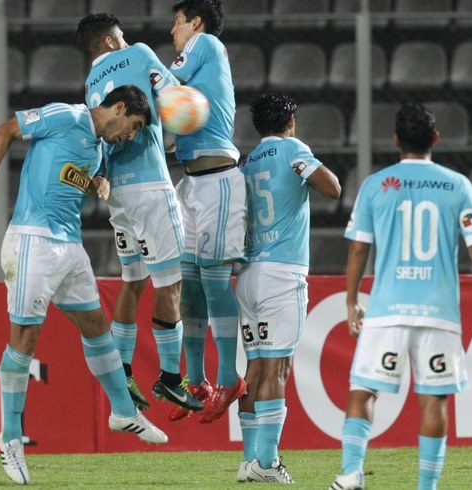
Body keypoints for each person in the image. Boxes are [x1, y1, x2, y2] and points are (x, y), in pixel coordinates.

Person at [0, 85, 167, 486]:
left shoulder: (95, 150)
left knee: (96, 327)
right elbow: (6, 129)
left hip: (68, 247)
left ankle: (123, 412)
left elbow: (69, 174)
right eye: (134, 126)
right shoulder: (67, 116)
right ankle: (9, 438)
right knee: (24, 339)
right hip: (33, 242)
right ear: (120, 107)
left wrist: (97, 184)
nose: (131, 135)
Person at [332, 103, 472, 490]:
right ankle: (426, 487)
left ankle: (351, 474)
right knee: (434, 400)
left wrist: (351, 298)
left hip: (387, 308)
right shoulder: (457, 185)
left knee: (363, 389)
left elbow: (359, 248)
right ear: (435, 139)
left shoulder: (376, 184)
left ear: (395, 141)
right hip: (438, 311)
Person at [76, 13, 203, 416]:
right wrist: (186, 125)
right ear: (112, 42)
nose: (127, 40)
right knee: (171, 283)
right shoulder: (140, 53)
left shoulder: (91, 84)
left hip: (118, 193)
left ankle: (123, 371)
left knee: (133, 281)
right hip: (151, 186)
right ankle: (169, 377)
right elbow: (175, 99)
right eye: (123, 36)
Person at [236, 93, 342, 483]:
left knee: (254, 369)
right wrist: (304, 164)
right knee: (278, 368)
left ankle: (249, 462)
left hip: (247, 275)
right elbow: (332, 187)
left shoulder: (246, 163)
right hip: (282, 274)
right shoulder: (292, 149)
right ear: (291, 120)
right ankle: (267, 462)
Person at [167, 0, 246, 424]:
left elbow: (164, 81)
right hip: (191, 182)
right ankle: (196, 380)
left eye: (176, 23)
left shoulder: (206, 43)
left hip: (218, 181)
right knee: (190, 284)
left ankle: (228, 376)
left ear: (194, 22)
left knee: (216, 284)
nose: (173, 31)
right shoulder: (195, 83)